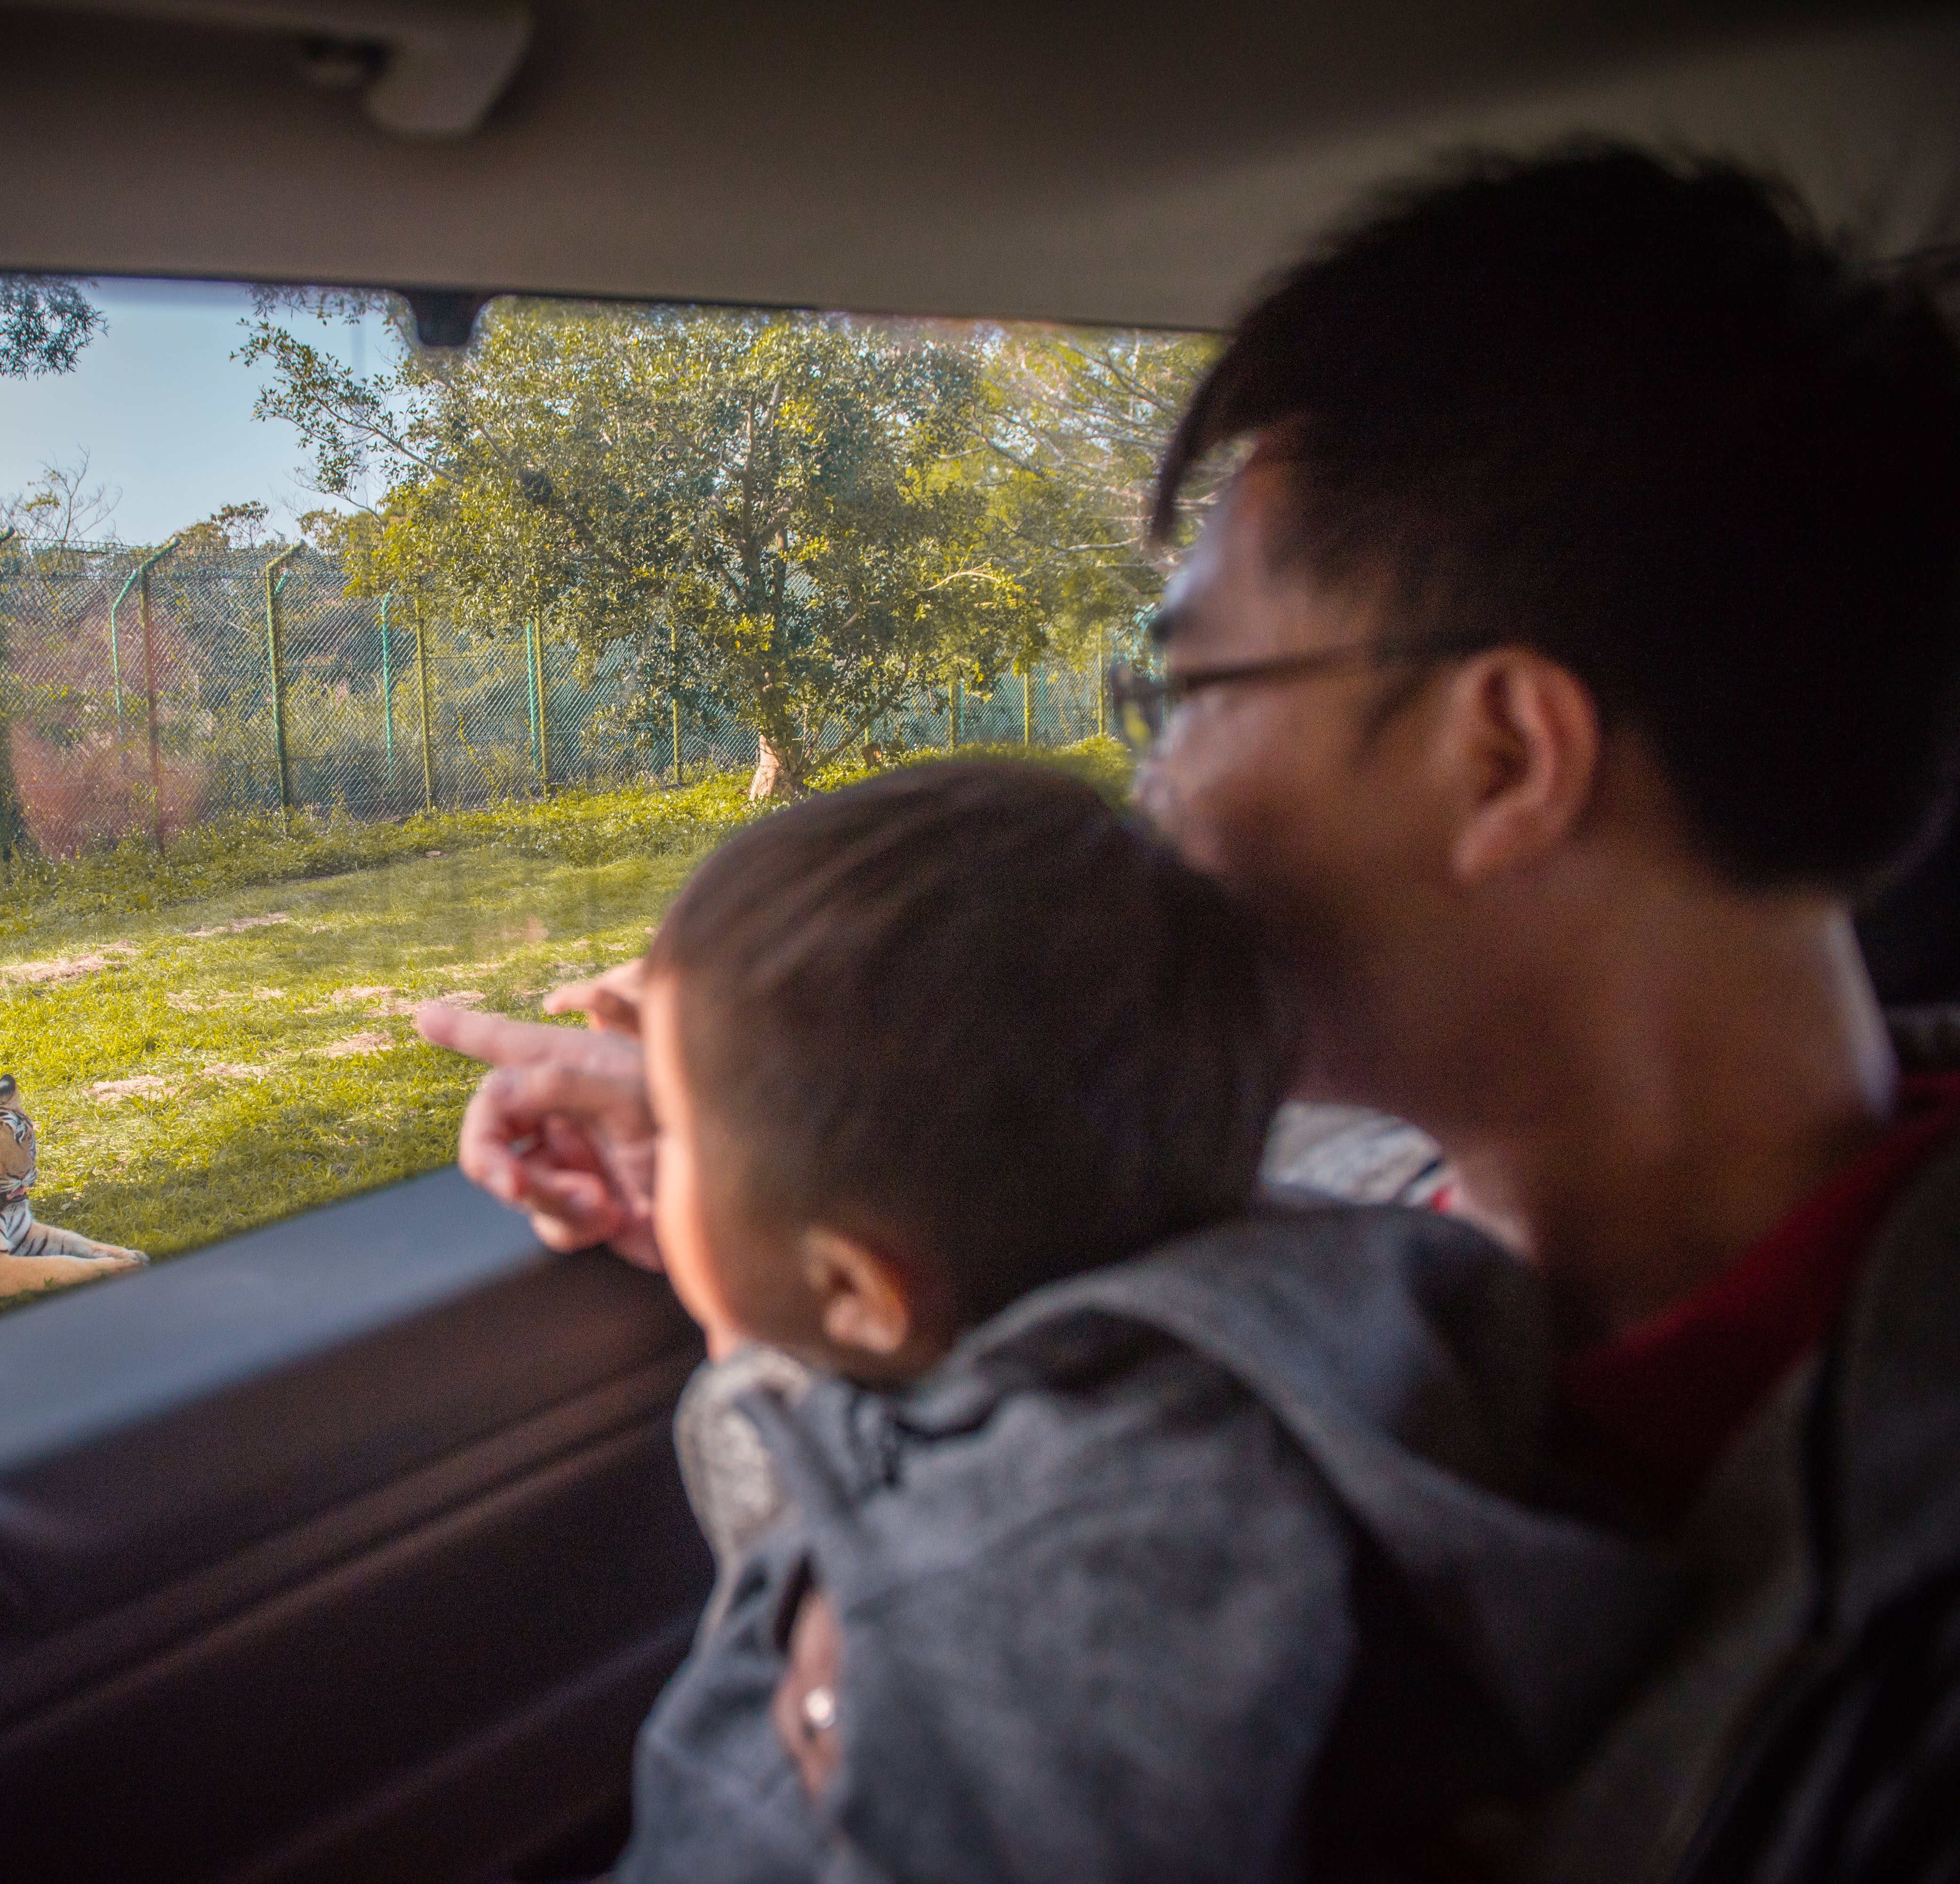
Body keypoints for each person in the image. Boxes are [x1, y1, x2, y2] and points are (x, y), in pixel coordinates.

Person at [417, 145, 1960, 1879]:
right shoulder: (1295, 1208)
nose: (1145, 786)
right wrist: (776, 1165)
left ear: (1503, 757)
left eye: (1185, 690)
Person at [599, 758, 1662, 1883]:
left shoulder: (1084, 1566)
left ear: (858, 1292)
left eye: (667, 1125)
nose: (648, 1140)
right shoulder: (1248, 1320)